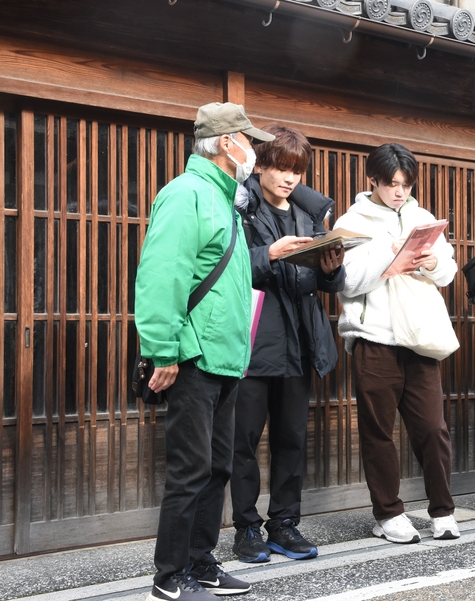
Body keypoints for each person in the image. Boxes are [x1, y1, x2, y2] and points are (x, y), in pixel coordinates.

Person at [136, 102, 274, 601]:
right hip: (192, 356)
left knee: (217, 466)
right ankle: (169, 575)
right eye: (247, 140)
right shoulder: (186, 195)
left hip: (226, 357)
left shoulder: (226, 199)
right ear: (224, 143)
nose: (253, 151)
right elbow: (161, 277)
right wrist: (163, 351)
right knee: (189, 468)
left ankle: (202, 561)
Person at [332, 142, 460, 544]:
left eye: (406, 184)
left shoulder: (422, 217)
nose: (400, 191)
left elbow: (449, 272)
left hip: (419, 338)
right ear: (373, 180)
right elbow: (347, 282)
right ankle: (388, 514)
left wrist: (433, 263)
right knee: (378, 432)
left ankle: (443, 511)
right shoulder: (351, 220)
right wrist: (390, 262)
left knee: (433, 429)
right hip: (374, 340)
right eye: (392, 184)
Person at [229, 125, 345, 563]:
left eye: (295, 170)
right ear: (259, 166)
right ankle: (246, 529)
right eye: (279, 167)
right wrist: (270, 255)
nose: (288, 178)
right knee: (244, 440)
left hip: (299, 340)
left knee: (291, 438)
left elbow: (328, 283)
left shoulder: (310, 214)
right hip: (253, 341)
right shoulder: (240, 207)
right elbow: (226, 266)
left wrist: (331, 268)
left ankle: (283, 524)